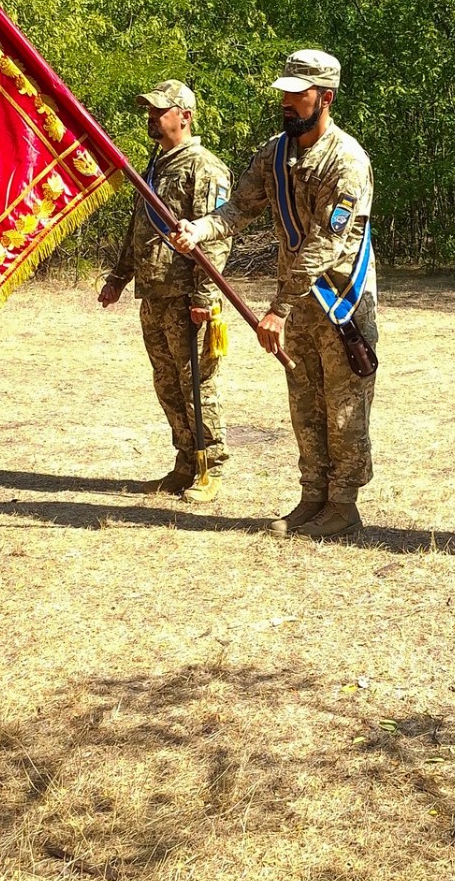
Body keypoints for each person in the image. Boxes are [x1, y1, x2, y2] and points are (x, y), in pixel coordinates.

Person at [173, 49, 377, 540]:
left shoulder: (347, 160)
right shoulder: (275, 153)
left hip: (340, 304)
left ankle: (344, 505)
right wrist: (199, 230)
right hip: (296, 306)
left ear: (324, 98)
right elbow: (238, 209)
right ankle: (312, 497)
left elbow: (326, 244)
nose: (286, 102)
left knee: (344, 407)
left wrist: (278, 308)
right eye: (284, 93)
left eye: (297, 94)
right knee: (305, 403)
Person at [98, 80, 233, 503]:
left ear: (185, 116)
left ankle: (211, 466)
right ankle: (184, 462)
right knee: (167, 384)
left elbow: (215, 238)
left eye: (160, 111)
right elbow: (137, 230)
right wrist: (119, 277)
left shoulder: (204, 168)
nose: (153, 118)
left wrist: (205, 297)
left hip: (186, 298)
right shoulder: (155, 167)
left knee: (198, 385)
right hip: (154, 294)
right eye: (150, 111)